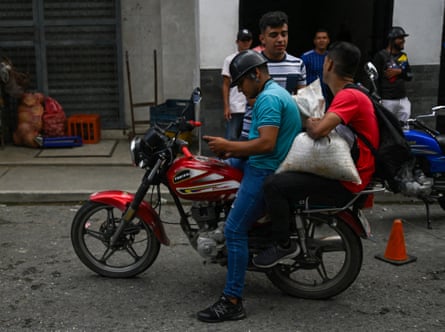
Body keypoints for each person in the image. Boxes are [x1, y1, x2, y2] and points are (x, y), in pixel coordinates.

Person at [252, 41, 379, 268]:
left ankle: (283, 244)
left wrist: (311, 123)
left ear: (328, 63)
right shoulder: (354, 93)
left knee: (274, 184)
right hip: (353, 171)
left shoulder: (349, 96)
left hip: (351, 178)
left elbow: (319, 130)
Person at [197, 50, 302, 322]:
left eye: (241, 83)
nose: (241, 90)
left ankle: (232, 301)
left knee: (234, 230)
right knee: (216, 170)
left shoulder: (267, 99)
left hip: (264, 167)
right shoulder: (272, 93)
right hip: (258, 161)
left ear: (255, 74)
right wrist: (230, 152)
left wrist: (229, 145)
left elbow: (266, 144)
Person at [373, 26, 413, 126]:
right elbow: (374, 78)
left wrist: (399, 72)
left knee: (404, 127)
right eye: (400, 38)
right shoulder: (381, 56)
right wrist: (378, 98)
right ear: (391, 40)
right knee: (387, 127)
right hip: (387, 100)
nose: (403, 41)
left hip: (402, 99)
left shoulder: (403, 56)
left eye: (403, 38)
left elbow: (409, 76)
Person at [259, 11, 306, 94]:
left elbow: (302, 99)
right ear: (262, 38)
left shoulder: (298, 64)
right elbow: (251, 99)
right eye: (274, 35)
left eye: (284, 34)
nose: (280, 40)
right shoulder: (253, 65)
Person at [222, 29, 253, 140]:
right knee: (232, 137)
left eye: (248, 40)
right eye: (243, 40)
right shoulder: (229, 60)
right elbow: (226, 84)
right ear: (237, 42)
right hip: (235, 105)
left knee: (249, 137)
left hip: (252, 105)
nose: (245, 43)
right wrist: (226, 106)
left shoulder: (255, 59)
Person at [301, 28, 332, 104]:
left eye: (324, 38)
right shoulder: (306, 57)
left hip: (328, 96)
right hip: (311, 97)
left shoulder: (332, 57)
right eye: (318, 38)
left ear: (328, 40)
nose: (321, 40)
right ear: (314, 41)